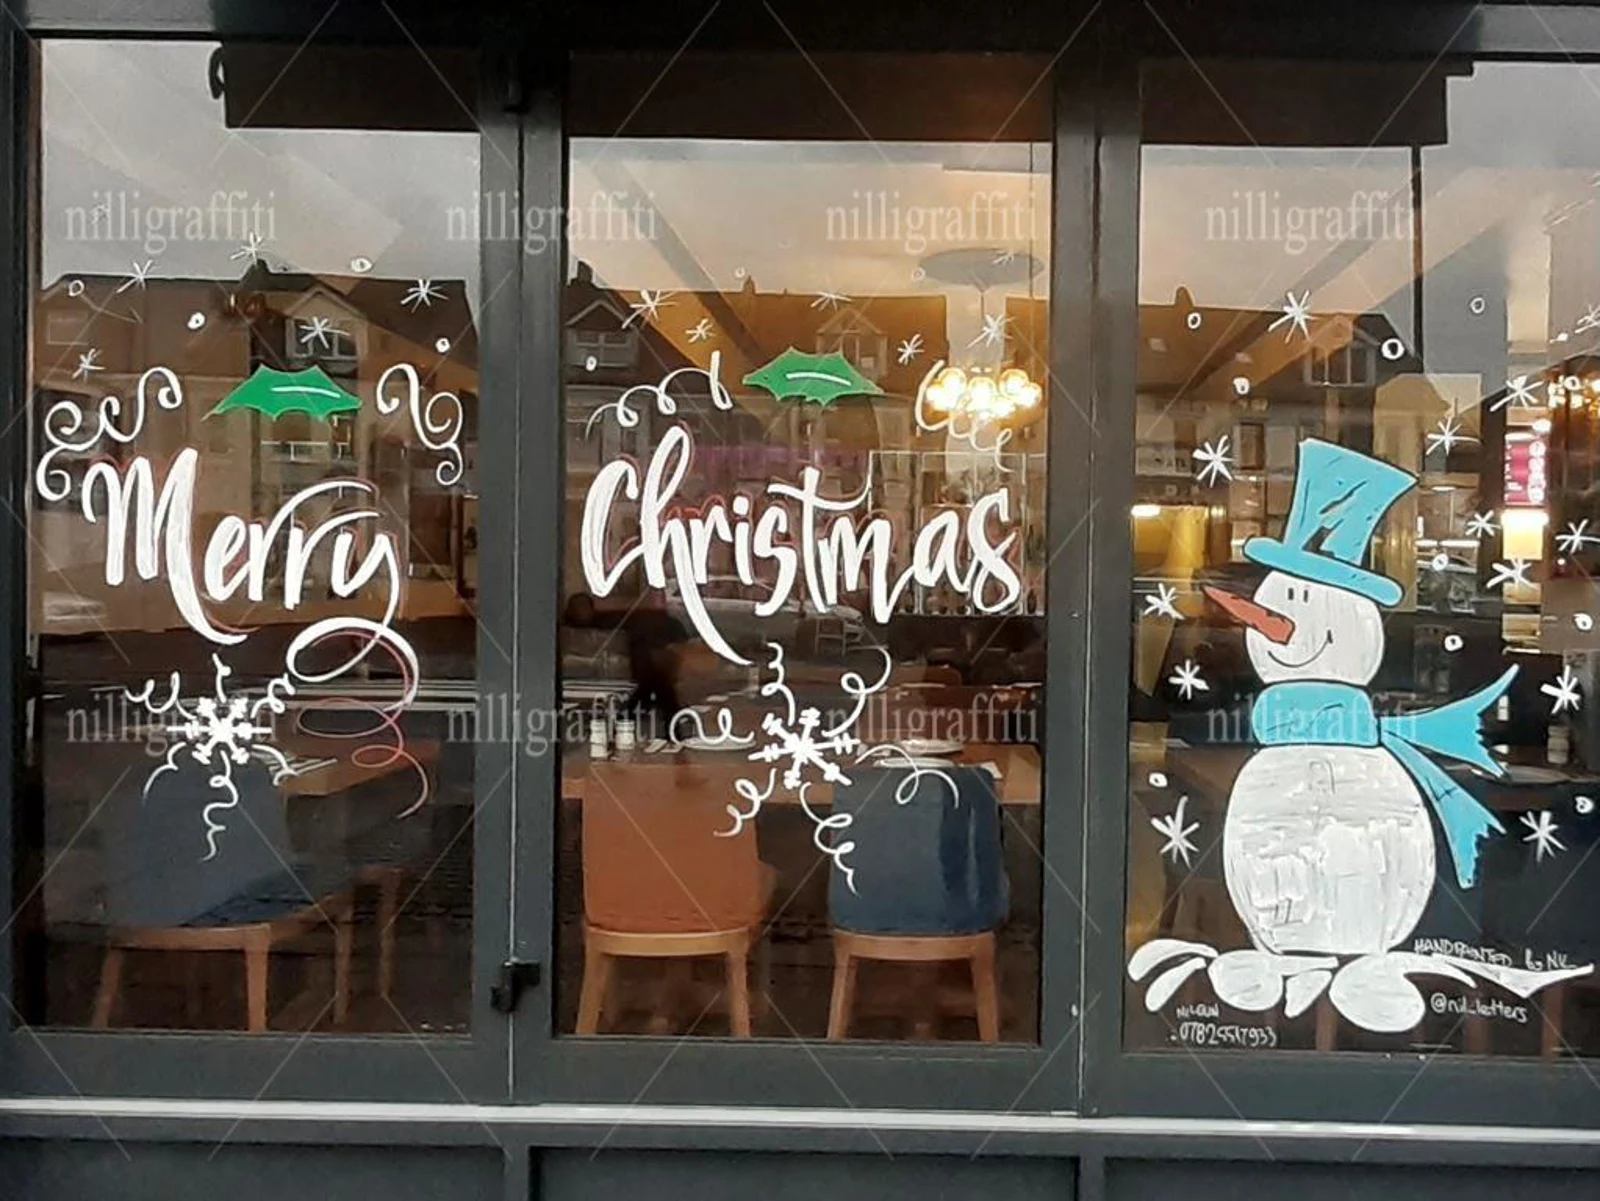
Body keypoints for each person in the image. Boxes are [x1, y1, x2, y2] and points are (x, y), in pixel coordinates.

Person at [564, 591, 691, 732]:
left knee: (656, 682)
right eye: (577, 607)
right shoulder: (562, 628)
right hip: (580, 678)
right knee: (655, 683)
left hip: (619, 678)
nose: (581, 611)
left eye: (584, 606)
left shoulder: (614, 623)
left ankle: (631, 723)